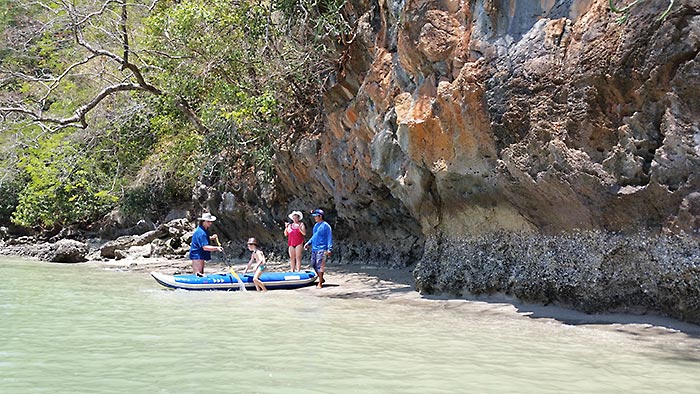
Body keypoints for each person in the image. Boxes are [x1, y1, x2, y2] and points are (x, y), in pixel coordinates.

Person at [303, 209, 332, 288]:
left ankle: (320, 283)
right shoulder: (316, 226)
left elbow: (329, 237)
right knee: (313, 264)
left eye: (316, 216)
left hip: (322, 248)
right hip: (314, 248)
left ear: (320, 216)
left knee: (320, 265)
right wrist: (308, 243)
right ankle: (321, 278)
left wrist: (329, 249)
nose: (315, 218)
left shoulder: (326, 226)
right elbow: (314, 236)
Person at [189, 212, 224, 276]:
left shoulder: (204, 230)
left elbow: (203, 240)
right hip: (197, 255)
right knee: (198, 274)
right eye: (208, 221)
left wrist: (211, 238)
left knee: (201, 273)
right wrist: (217, 248)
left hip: (200, 254)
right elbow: (205, 247)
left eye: (210, 221)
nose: (210, 223)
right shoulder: (201, 232)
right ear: (203, 221)